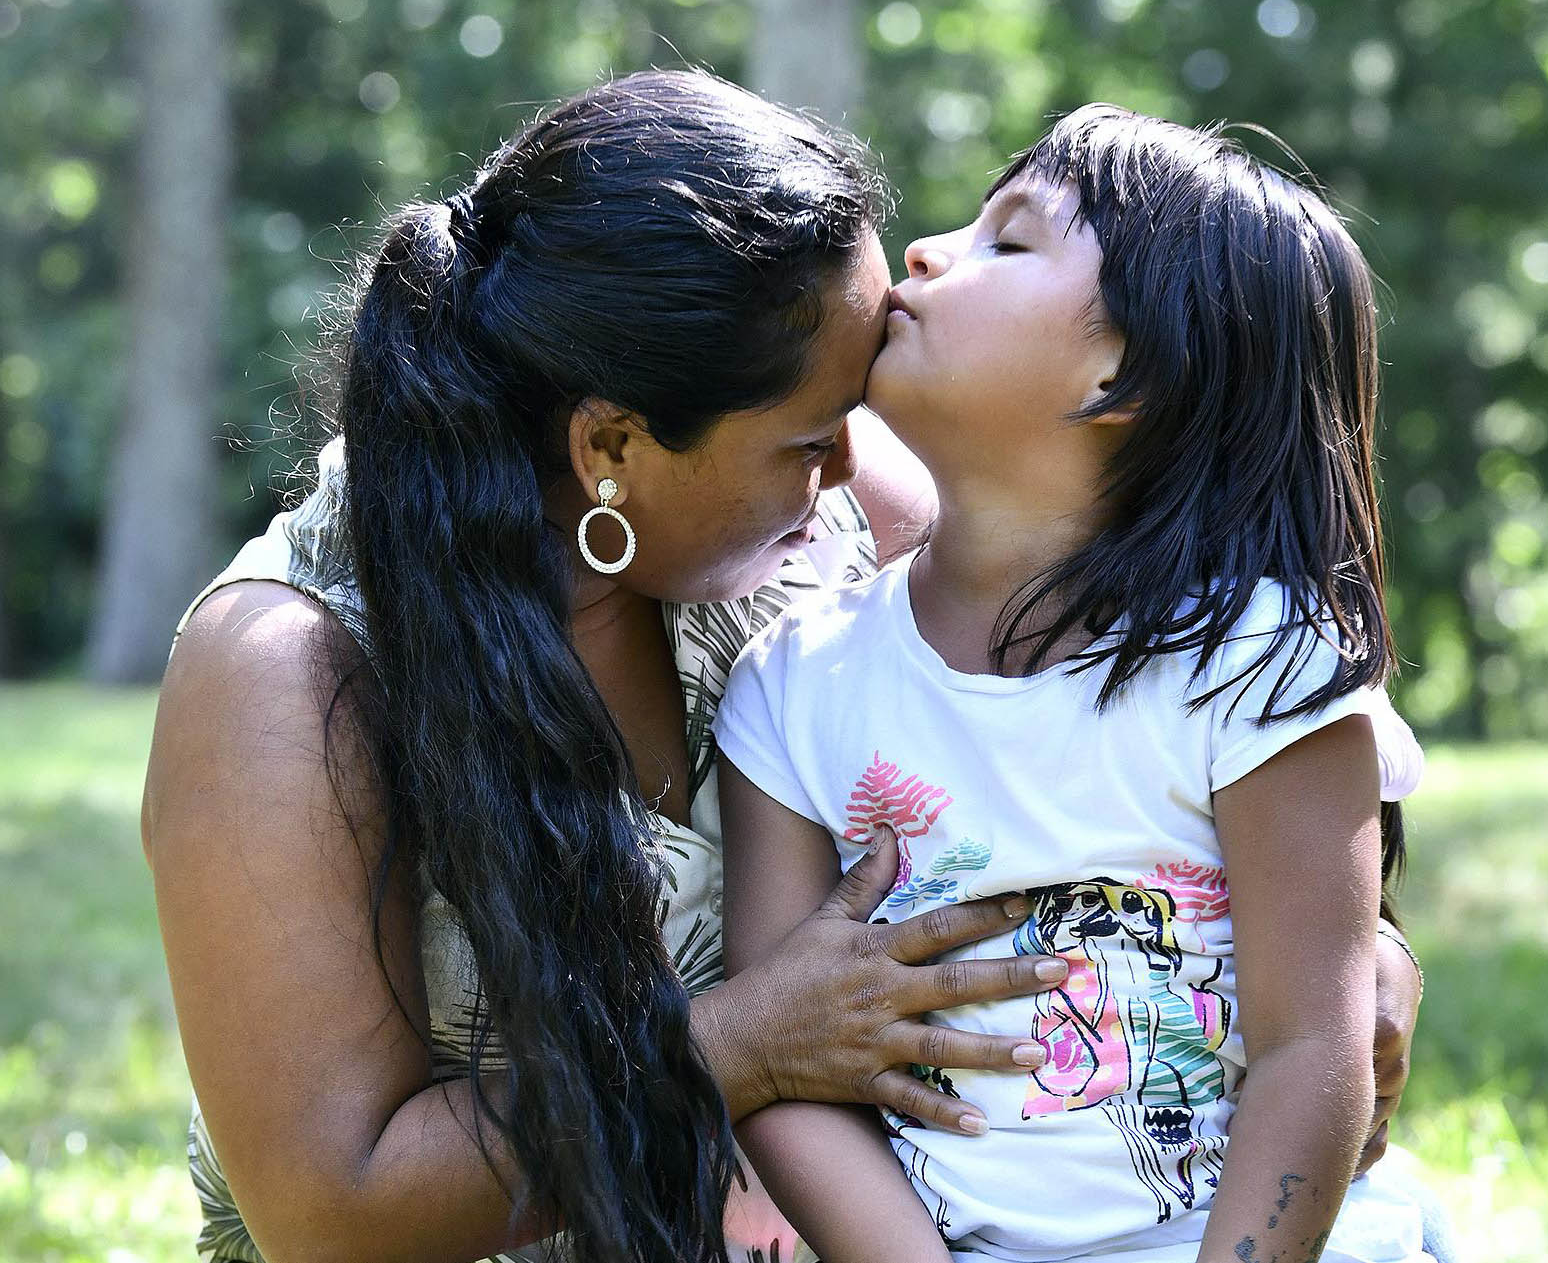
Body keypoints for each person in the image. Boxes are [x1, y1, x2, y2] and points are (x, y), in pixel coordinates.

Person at [141, 72, 1427, 1263]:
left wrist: (1350, 967)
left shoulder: (855, 521)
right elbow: (329, 1206)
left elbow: (1165, 795)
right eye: (814, 437)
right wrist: (741, 1047)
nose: (850, 471)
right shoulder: (289, 673)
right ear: (612, 448)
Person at [715, 105, 1443, 1263]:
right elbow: (786, 1066)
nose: (921, 251)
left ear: (1129, 365)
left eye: (1008, 240)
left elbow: (1319, 1046)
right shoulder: (793, 686)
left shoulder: (1260, 663)